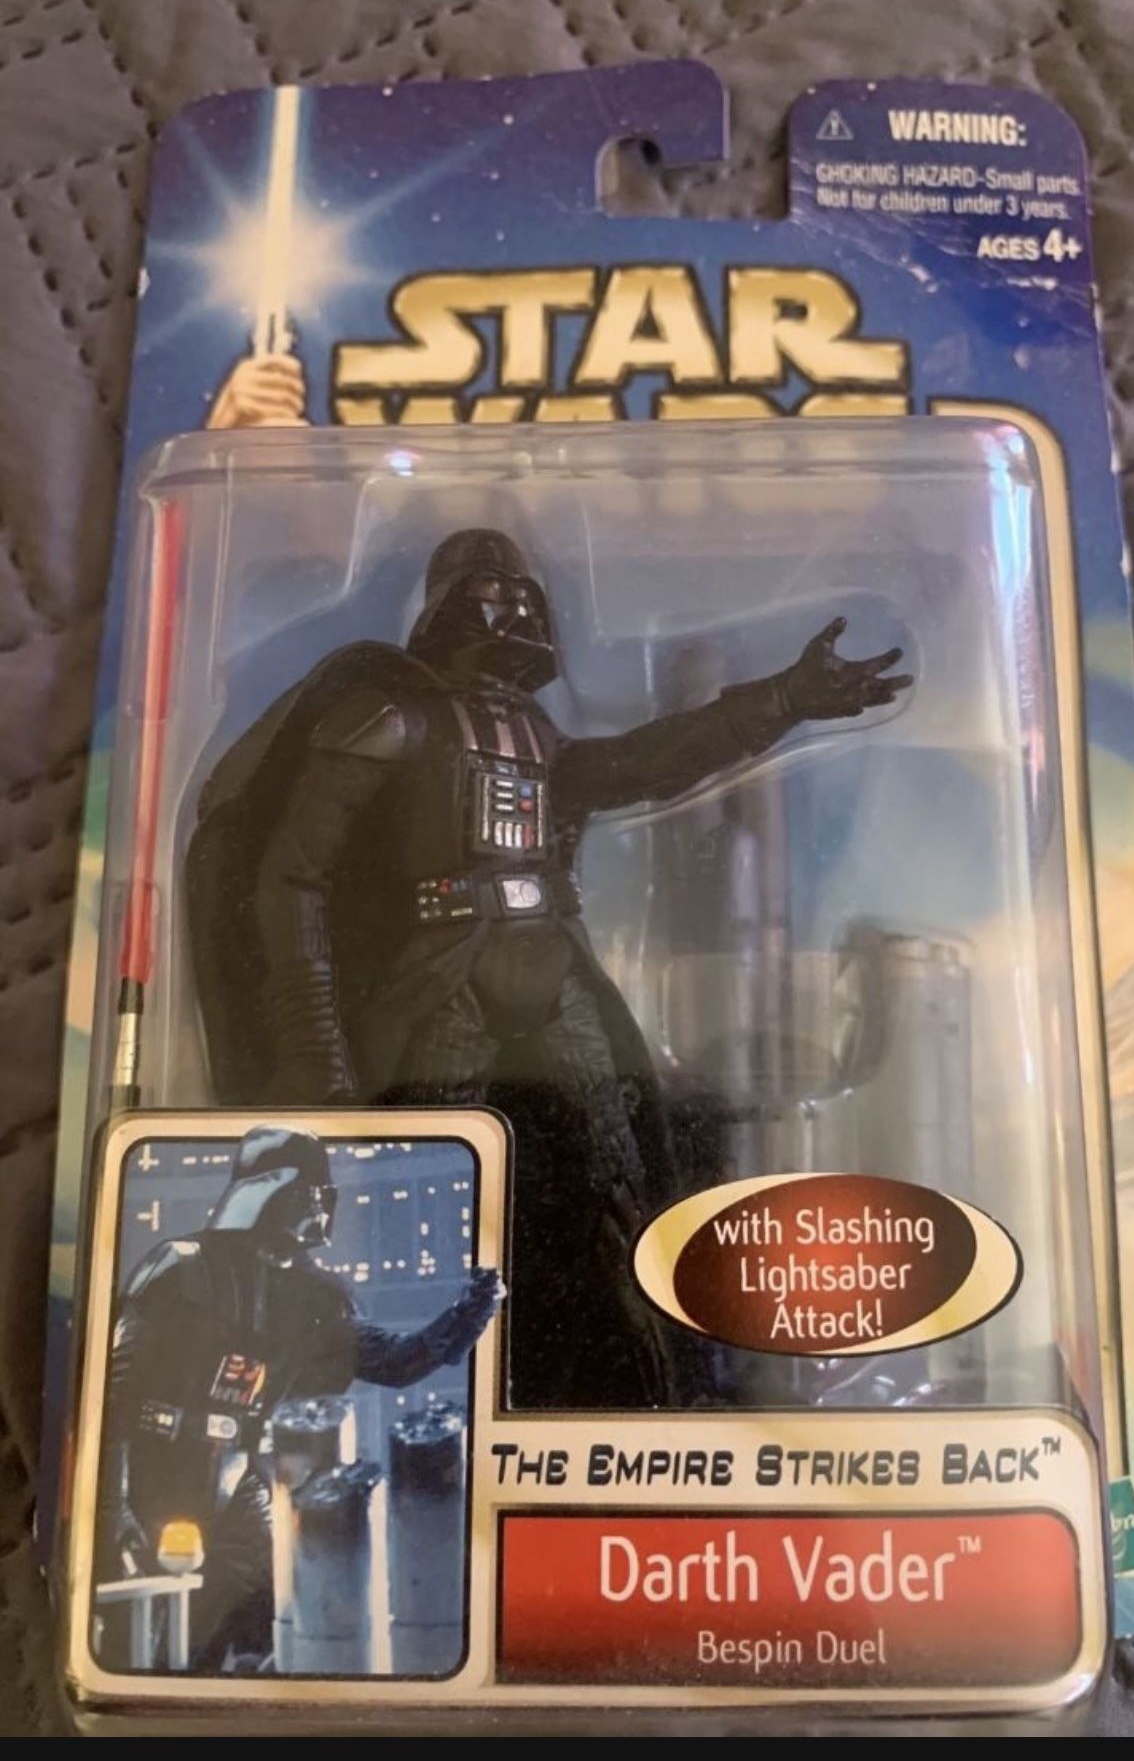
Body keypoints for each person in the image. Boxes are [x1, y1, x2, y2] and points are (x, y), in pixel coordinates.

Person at [187, 529, 911, 1409]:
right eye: (487, 594)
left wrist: (784, 699)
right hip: (441, 973)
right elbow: (290, 878)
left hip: (548, 960)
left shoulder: (537, 734)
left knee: (618, 1165)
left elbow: (642, 763)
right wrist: (315, 1056)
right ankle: (442, 1392)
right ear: (445, 608)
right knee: (427, 1183)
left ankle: (648, 1371)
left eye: (521, 595)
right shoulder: (388, 716)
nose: (511, 611)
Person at [100, 1125, 499, 1669]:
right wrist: (113, 1511)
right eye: (307, 1191)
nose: (318, 1207)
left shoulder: (315, 1297)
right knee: (144, 1629)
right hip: (154, 1472)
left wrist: (467, 1314)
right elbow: (113, 1400)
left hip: (235, 1477)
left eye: (321, 1193)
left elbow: (397, 1362)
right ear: (271, 1191)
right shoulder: (180, 1267)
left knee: (278, 1606)